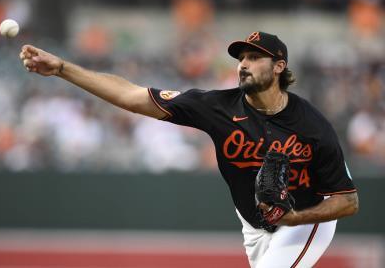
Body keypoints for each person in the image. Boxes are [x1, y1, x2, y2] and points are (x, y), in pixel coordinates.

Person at [19, 31, 359, 268]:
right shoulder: (217, 107)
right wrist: (63, 69)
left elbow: (348, 200)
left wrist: (296, 216)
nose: (243, 64)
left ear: (279, 67)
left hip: (305, 218)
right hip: (254, 223)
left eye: (255, 58)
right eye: (241, 57)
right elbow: (133, 97)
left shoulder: (312, 125)